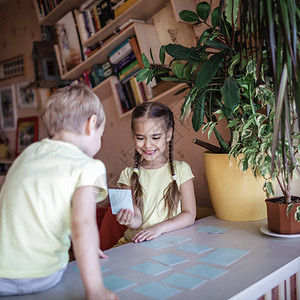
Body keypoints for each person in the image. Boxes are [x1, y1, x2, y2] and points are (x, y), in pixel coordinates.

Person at [0, 84, 119, 300]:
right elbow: (82, 223)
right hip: (38, 276)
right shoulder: (89, 166)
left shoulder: (28, 154)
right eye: (101, 135)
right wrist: (95, 289)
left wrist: (88, 247)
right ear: (91, 125)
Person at [115, 102, 196, 245]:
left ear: (168, 134)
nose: (147, 145)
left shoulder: (182, 170)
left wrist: (158, 229)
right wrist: (129, 219)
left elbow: (189, 215)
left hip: (169, 243)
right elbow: (137, 219)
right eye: (140, 138)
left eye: (155, 137)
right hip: (134, 245)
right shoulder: (127, 175)